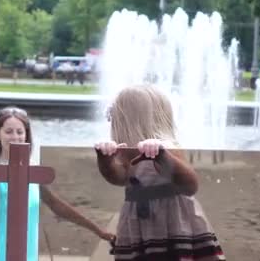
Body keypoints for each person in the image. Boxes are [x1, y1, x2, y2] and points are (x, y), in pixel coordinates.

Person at [95, 85, 225, 261]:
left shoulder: (169, 147)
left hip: (172, 219)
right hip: (137, 221)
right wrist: (105, 160)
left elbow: (190, 185)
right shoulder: (126, 150)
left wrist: (162, 156)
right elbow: (118, 178)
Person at [0, 107, 115, 261]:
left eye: (19, 132)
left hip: (29, 254)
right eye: (8, 132)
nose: (15, 137)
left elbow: (56, 205)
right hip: (0, 255)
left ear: (26, 135)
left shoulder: (31, 170)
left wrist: (98, 231)